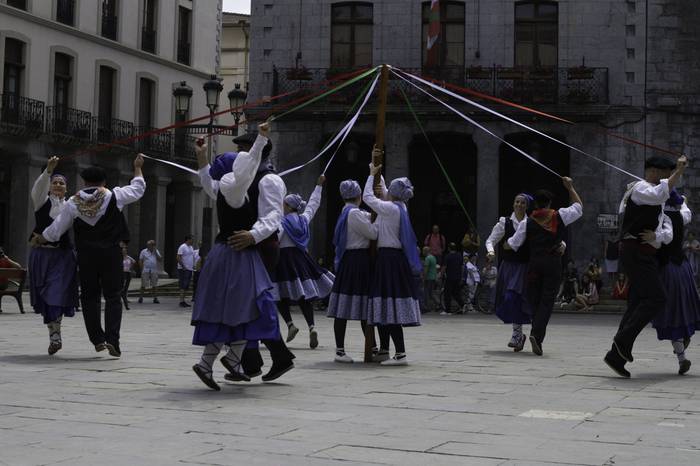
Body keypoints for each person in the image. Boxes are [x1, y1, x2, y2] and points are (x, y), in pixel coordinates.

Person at [195, 124, 295, 387]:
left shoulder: (269, 180)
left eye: (243, 149)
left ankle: (252, 360)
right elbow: (210, 184)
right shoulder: (236, 183)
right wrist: (202, 160)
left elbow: (273, 216)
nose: (240, 154)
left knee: (255, 302)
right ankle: (249, 361)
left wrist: (253, 235)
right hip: (242, 246)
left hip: (260, 245)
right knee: (244, 302)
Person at [33, 154, 146, 358]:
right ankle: (113, 340)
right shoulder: (114, 196)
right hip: (111, 254)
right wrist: (137, 167)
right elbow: (138, 189)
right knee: (113, 296)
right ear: (104, 182)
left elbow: (57, 229)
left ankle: (97, 339)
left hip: (86, 256)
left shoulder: (73, 202)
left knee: (89, 297)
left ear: (84, 182)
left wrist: (42, 237)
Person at [604, 155, 687, 378]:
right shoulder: (640, 188)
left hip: (643, 253)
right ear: (653, 171)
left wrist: (655, 237)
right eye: (665, 174)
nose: (667, 179)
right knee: (657, 298)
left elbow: (665, 231)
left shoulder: (654, 200)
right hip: (636, 252)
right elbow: (660, 193)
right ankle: (621, 342)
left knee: (637, 303)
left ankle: (616, 355)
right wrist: (679, 171)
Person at [505, 177, 583, 356]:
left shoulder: (526, 222)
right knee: (547, 301)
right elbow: (579, 207)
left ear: (535, 204)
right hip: (553, 264)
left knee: (535, 300)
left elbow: (513, 243)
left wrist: (504, 242)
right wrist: (570, 187)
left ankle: (535, 332)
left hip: (534, 264)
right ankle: (537, 335)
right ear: (549, 203)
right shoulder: (559, 215)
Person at [363, 151, 422, 365]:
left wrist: (372, 174)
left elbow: (368, 198)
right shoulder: (400, 207)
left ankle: (400, 354)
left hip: (388, 258)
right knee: (387, 306)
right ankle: (389, 350)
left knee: (388, 307)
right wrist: (377, 168)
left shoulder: (389, 209)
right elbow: (387, 192)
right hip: (394, 259)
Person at [274, 175, 334, 349]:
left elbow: (276, 240)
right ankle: (312, 326)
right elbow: (313, 205)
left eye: (284, 204)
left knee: (280, 295)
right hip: (301, 260)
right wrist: (319, 186)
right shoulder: (304, 219)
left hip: (285, 261)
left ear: (288, 206)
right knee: (303, 295)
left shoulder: (282, 223)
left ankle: (290, 324)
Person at [26, 157, 79, 355]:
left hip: (63, 257)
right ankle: (54, 334)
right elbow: (38, 188)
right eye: (55, 182)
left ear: (66, 188)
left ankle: (55, 335)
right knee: (45, 297)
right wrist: (48, 171)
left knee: (56, 293)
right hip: (41, 255)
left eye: (61, 183)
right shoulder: (41, 201)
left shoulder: (71, 206)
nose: (57, 185)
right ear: (49, 187)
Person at [327, 179, 378, 363]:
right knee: (361, 304)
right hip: (358, 260)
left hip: (349, 260)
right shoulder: (354, 214)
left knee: (346, 304)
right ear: (359, 196)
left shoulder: (346, 212)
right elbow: (373, 233)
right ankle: (367, 348)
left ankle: (348, 349)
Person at [652, 190, 700, 375]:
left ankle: (682, 357)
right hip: (683, 268)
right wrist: (683, 201)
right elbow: (686, 211)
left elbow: (663, 239)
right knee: (683, 308)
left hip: (667, 269)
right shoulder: (681, 215)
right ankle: (683, 346)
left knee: (672, 312)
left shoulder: (662, 218)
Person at [486, 193, 532, 351]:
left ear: (527, 206)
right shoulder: (504, 222)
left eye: (522, 202)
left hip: (524, 267)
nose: (519, 204)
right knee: (508, 299)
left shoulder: (530, 223)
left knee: (516, 298)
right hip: (508, 267)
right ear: (513, 204)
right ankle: (518, 333)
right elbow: (490, 240)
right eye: (517, 201)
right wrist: (491, 251)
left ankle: (518, 334)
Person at [442, 243, 465, 315]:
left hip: (450, 277)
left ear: (449, 248)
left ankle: (448, 310)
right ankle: (462, 304)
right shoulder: (459, 256)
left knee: (447, 294)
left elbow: (444, 267)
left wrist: (441, 274)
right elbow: (462, 267)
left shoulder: (448, 256)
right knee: (456, 293)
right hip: (458, 277)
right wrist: (461, 276)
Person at [176, 235, 195, 308]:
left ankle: (183, 301)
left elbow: (191, 257)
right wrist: (183, 266)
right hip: (183, 269)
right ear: (188, 240)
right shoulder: (182, 246)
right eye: (192, 239)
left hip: (189, 269)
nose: (193, 241)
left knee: (186, 285)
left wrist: (193, 265)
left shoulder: (191, 247)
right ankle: (181, 301)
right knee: (183, 285)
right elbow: (178, 257)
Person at [422, 246, 439, 312]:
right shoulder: (433, 257)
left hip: (428, 278)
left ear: (426, 251)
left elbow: (426, 269)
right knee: (431, 293)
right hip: (433, 277)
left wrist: (424, 277)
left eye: (423, 251)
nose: (422, 252)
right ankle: (437, 304)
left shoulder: (427, 258)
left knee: (427, 293)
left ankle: (429, 306)